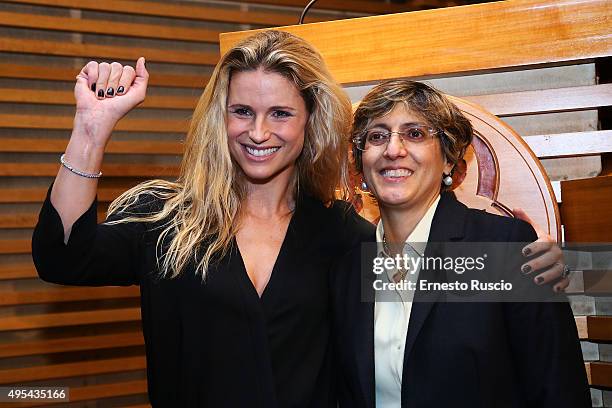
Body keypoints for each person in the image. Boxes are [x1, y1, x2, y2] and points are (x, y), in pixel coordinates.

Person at [31, 30, 568, 406]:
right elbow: (62, 257)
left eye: (280, 113)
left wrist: (534, 262)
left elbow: (434, 338)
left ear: (311, 122)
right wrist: (91, 128)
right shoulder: (167, 220)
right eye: (242, 111)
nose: (258, 132)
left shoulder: (347, 237)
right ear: (221, 119)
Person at [331, 80, 591, 407]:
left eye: (415, 133)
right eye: (377, 136)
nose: (393, 150)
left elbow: (558, 390)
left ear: (450, 159)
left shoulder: (507, 250)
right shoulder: (346, 270)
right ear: (361, 165)